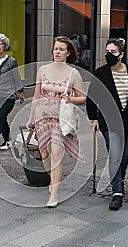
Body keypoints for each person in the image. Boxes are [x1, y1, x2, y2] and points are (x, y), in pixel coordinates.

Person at [26, 36, 86, 208]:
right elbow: (36, 96)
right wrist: (31, 118)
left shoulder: (73, 73)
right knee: (44, 154)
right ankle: (53, 181)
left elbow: (83, 98)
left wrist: (70, 99)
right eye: (55, 48)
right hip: (42, 117)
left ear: (68, 53)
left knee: (57, 155)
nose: (57, 52)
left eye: (61, 49)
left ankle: (55, 194)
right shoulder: (42, 70)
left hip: (61, 119)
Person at [86, 38, 128, 210]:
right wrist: (94, 118)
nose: (108, 55)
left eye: (112, 52)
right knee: (114, 155)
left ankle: (118, 180)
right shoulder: (101, 73)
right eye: (107, 52)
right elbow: (92, 97)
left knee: (124, 157)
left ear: (121, 54)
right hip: (108, 121)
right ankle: (117, 192)